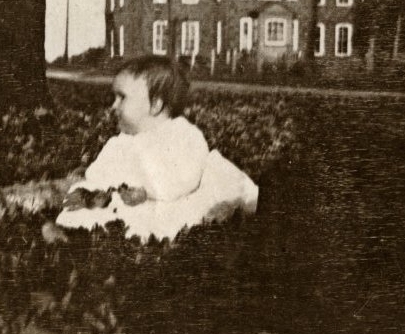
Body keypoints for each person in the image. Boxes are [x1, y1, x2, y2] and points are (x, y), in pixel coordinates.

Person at [54, 55, 258, 242]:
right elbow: (101, 173)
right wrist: (94, 190)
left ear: (155, 105)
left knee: (178, 212)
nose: (113, 106)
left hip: (166, 202)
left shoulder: (182, 135)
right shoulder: (121, 141)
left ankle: (116, 234)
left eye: (122, 98)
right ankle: (75, 230)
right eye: (114, 98)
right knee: (84, 197)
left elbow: (183, 179)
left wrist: (145, 192)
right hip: (123, 200)